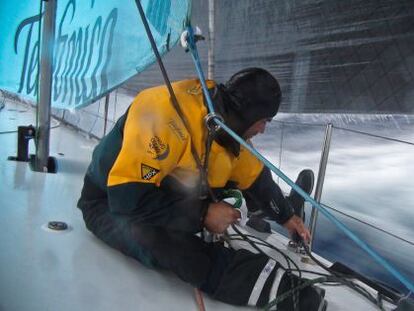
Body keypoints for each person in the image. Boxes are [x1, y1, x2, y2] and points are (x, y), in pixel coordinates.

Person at [77, 68, 326, 310]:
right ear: (248, 115)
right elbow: (126, 197)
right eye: (263, 121)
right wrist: (203, 214)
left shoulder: (224, 125)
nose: (263, 129)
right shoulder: (164, 117)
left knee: (232, 184)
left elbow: (256, 176)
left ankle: (259, 212)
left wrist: (286, 216)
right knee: (165, 244)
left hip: (163, 189)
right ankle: (281, 289)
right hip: (106, 200)